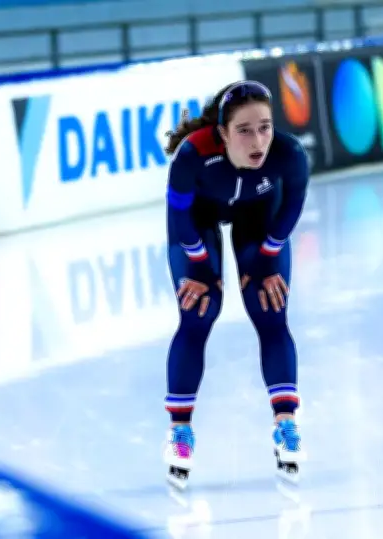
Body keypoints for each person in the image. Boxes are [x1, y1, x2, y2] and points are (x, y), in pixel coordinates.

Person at [162, 80, 309, 489]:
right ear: (222, 133)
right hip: (197, 225)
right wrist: (204, 270)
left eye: (264, 126)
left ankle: (286, 425)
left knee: (270, 308)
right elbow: (180, 221)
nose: (258, 139)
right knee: (199, 312)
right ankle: (179, 432)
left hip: (258, 219)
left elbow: (292, 207)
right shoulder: (194, 155)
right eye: (244, 130)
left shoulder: (289, 154)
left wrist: (265, 257)